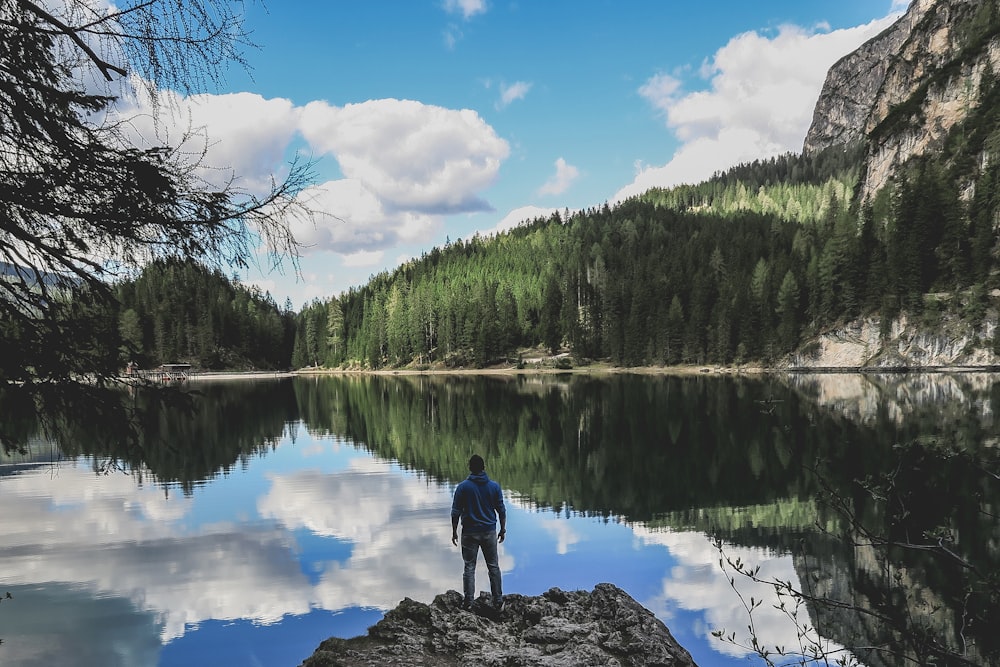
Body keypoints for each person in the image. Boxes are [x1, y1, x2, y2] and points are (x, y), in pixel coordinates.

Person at [451, 454, 506, 610]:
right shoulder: (494, 487)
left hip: (469, 533)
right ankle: (498, 601)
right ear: (484, 468)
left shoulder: (463, 487)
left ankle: (468, 602)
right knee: (493, 566)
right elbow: (501, 510)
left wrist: (454, 531)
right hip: (489, 531)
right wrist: (502, 529)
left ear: (470, 468)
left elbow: (455, 512)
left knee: (469, 567)